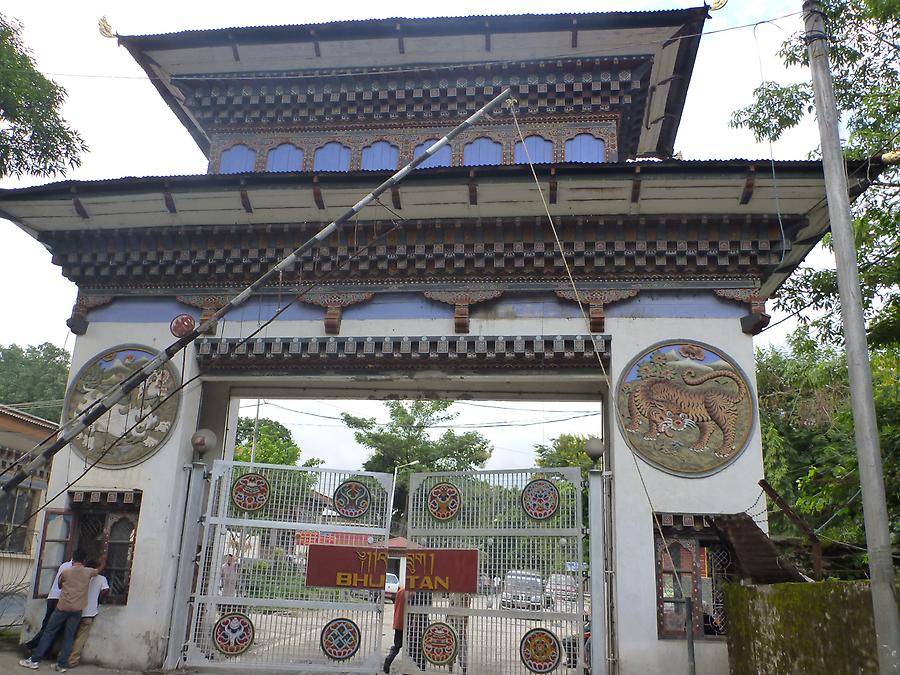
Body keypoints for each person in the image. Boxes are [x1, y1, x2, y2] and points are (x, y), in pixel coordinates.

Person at [19, 551, 101, 672]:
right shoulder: (88, 572)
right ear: (84, 561)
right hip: (77, 609)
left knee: (49, 632)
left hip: (63, 607)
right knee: (69, 637)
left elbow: (59, 585)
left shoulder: (66, 572)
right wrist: (103, 559)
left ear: (73, 559)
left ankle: (35, 660)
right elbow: (98, 571)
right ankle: (62, 664)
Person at [24, 556, 73, 652]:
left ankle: (43, 650)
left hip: (53, 597)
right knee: (51, 627)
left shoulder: (64, 565)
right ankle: (31, 645)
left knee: (49, 626)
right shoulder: (71, 568)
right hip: (58, 599)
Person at [67, 559, 109, 668]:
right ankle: (72, 660)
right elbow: (105, 590)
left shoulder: (81, 577)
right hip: (89, 612)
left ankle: (62, 657)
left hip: (75, 609)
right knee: (80, 638)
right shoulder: (101, 579)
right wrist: (98, 601)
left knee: (69, 635)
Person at [382, 586, 406, 674]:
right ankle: (411, 667)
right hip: (408, 624)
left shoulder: (400, 591)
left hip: (398, 622)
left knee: (397, 645)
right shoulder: (411, 593)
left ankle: (389, 658)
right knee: (411, 647)